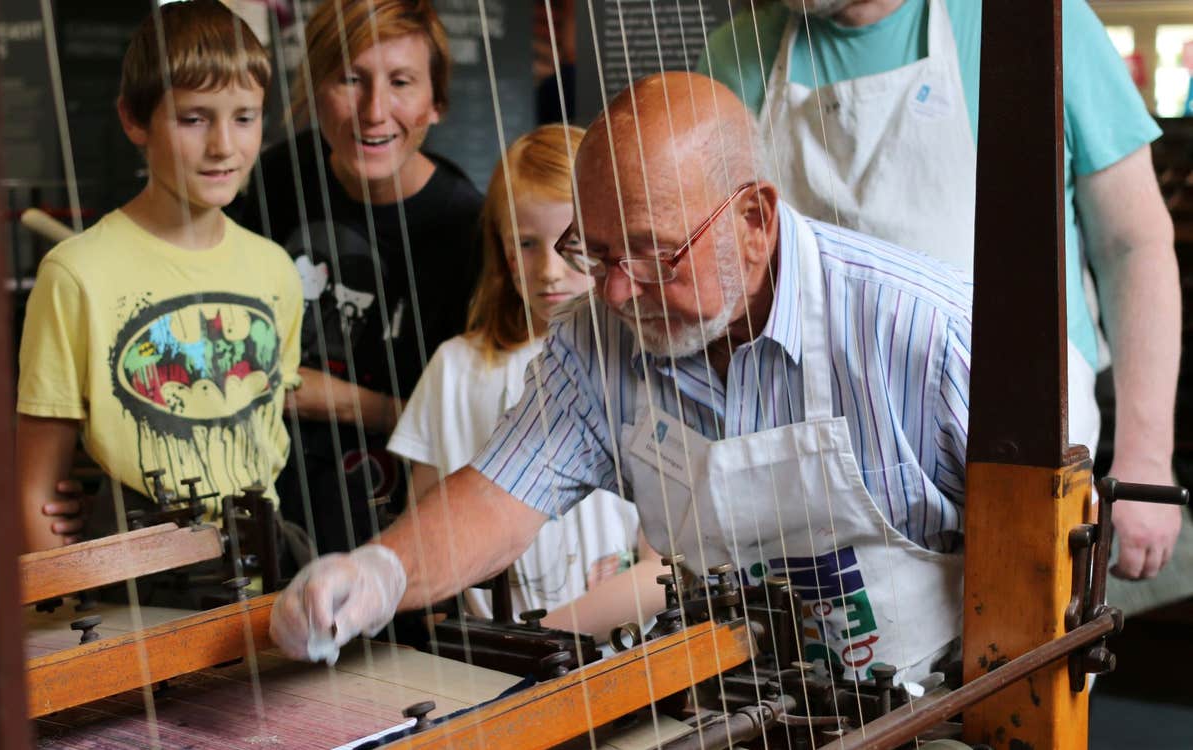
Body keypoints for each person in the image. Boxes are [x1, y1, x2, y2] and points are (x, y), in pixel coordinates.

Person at [271, 73, 972, 682]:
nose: (613, 293)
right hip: (735, 698)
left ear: (753, 220)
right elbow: (499, 493)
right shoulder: (601, 339)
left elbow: (1040, 562)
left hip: (934, 703)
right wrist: (376, 574)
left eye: (653, 255)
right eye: (597, 253)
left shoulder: (925, 332)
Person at [697, 0, 1182, 581]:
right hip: (813, 489)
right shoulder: (733, 55)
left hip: (1019, 473)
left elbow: (1133, 246)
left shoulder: (1036, 22)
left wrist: (1147, 460)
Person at [17, 0, 303, 552]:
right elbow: (36, 493)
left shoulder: (275, 269)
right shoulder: (76, 274)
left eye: (244, 117)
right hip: (135, 584)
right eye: (194, 118)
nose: (224, 145)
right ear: (133, 119)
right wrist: (75, 629)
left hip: (266, 571)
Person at [386, 124, 665, 635]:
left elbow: (663, 569)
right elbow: (422, 538)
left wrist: (542, 641)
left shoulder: (642, 364)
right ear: (503, 251)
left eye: (572, 244)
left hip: (614, 664)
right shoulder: (453, 368)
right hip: (485, 666)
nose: (550, 271)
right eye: (527, 244)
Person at [240, 0, 483, 560]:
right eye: (351, 79)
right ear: (316, 88)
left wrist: (339, 402)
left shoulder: (466, 227)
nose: (375, 111)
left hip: (388, 527)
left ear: (436, 102)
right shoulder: (276, 176)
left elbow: (464, 422)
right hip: (260, 500)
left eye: (401, 82)